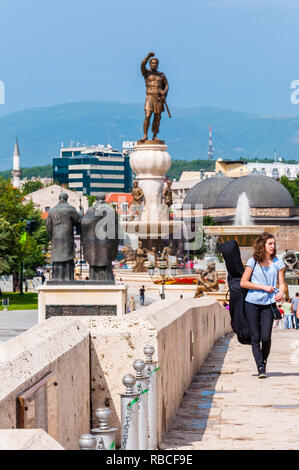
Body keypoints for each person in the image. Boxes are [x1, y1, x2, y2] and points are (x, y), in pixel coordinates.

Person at [240, 232, 286, 378]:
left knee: (266, 337)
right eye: (269, 244)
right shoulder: (252, 261)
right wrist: (263, 287)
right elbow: (243, 282)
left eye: (273, 244)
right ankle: (260, 367)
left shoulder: (278, 262)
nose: (272, 246)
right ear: (262, 245)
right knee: (255, 336)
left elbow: (282, 284)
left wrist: (282, 292)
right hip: (252, 303)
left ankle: (263, 361)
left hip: (269, 304)